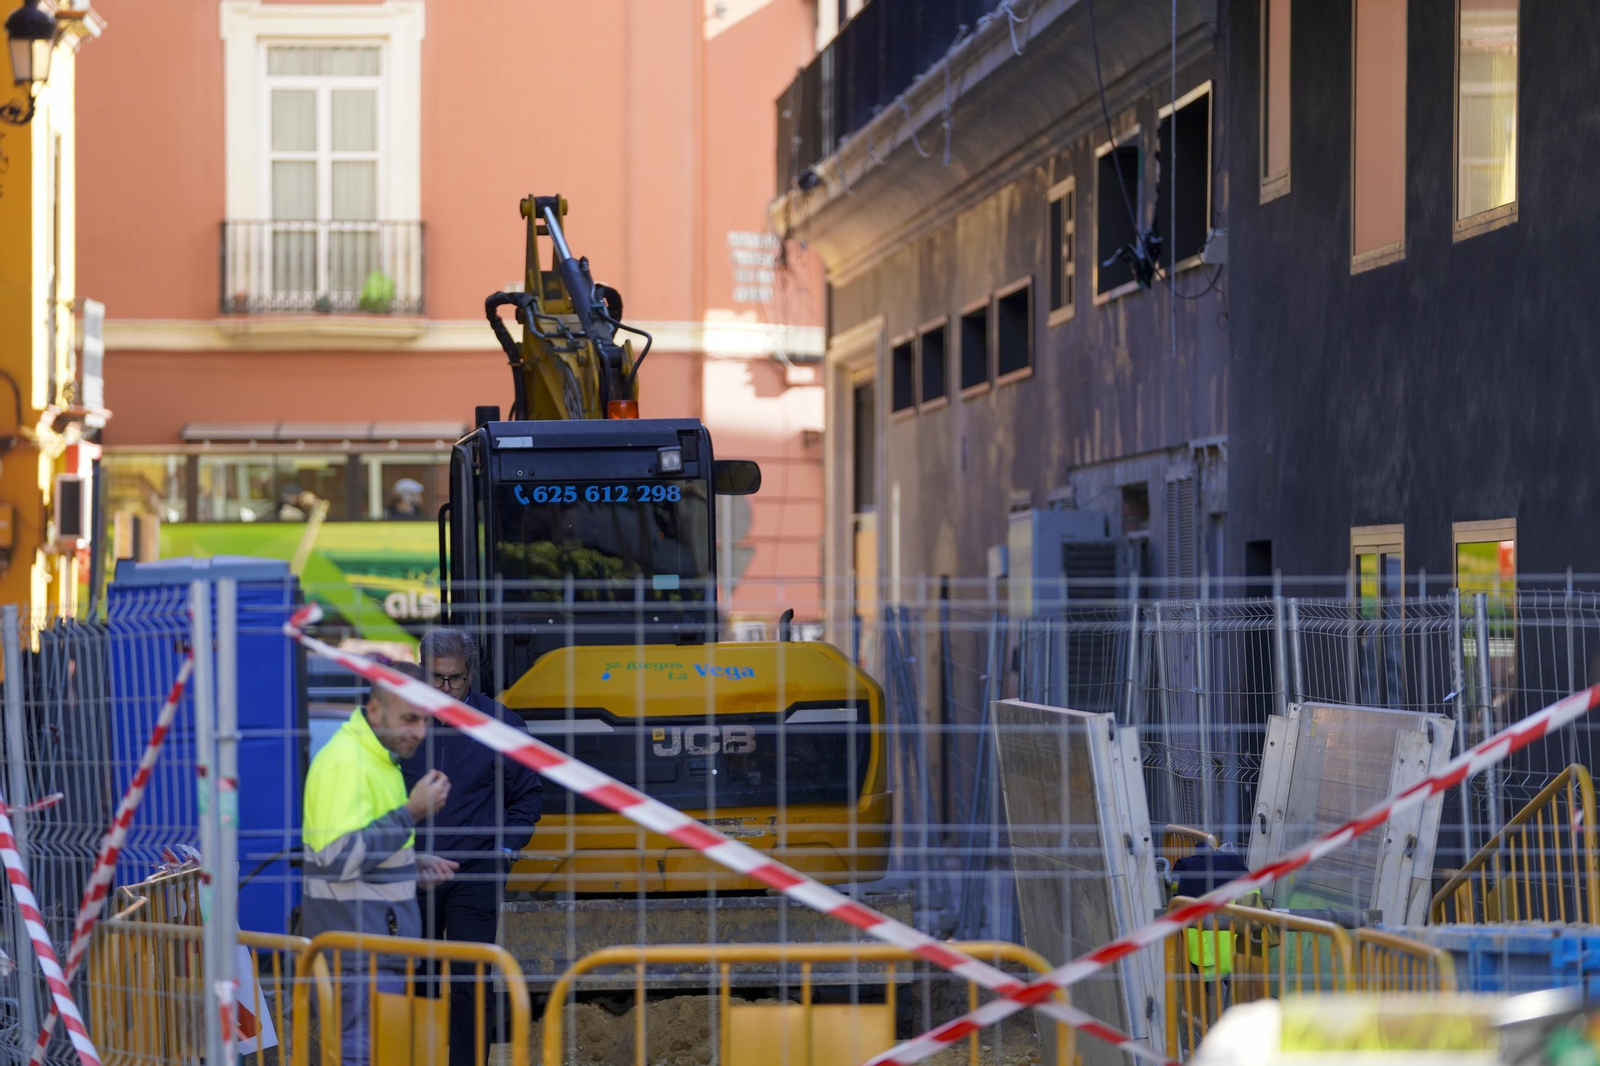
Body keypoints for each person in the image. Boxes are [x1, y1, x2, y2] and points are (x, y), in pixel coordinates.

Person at [302, 661, 459, 1066]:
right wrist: (411, 813)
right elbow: (336, 859)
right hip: (358, 961)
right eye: (409, 718)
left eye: (425, 720)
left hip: (372, 956)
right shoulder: (347, 763)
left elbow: (362, 849)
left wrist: (409, 865)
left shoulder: (377, 759)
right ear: (374, 710)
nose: (420, 732)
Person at [402, 628, 543, 1064]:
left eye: (456, 679)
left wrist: (505, 852)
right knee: (416, 978)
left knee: (472, 981)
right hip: (414, 872)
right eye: (437, 678)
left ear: (471, 675)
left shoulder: (500, 725)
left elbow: (529, 795)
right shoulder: (401, 723)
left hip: (475, 872)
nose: (446, 688)